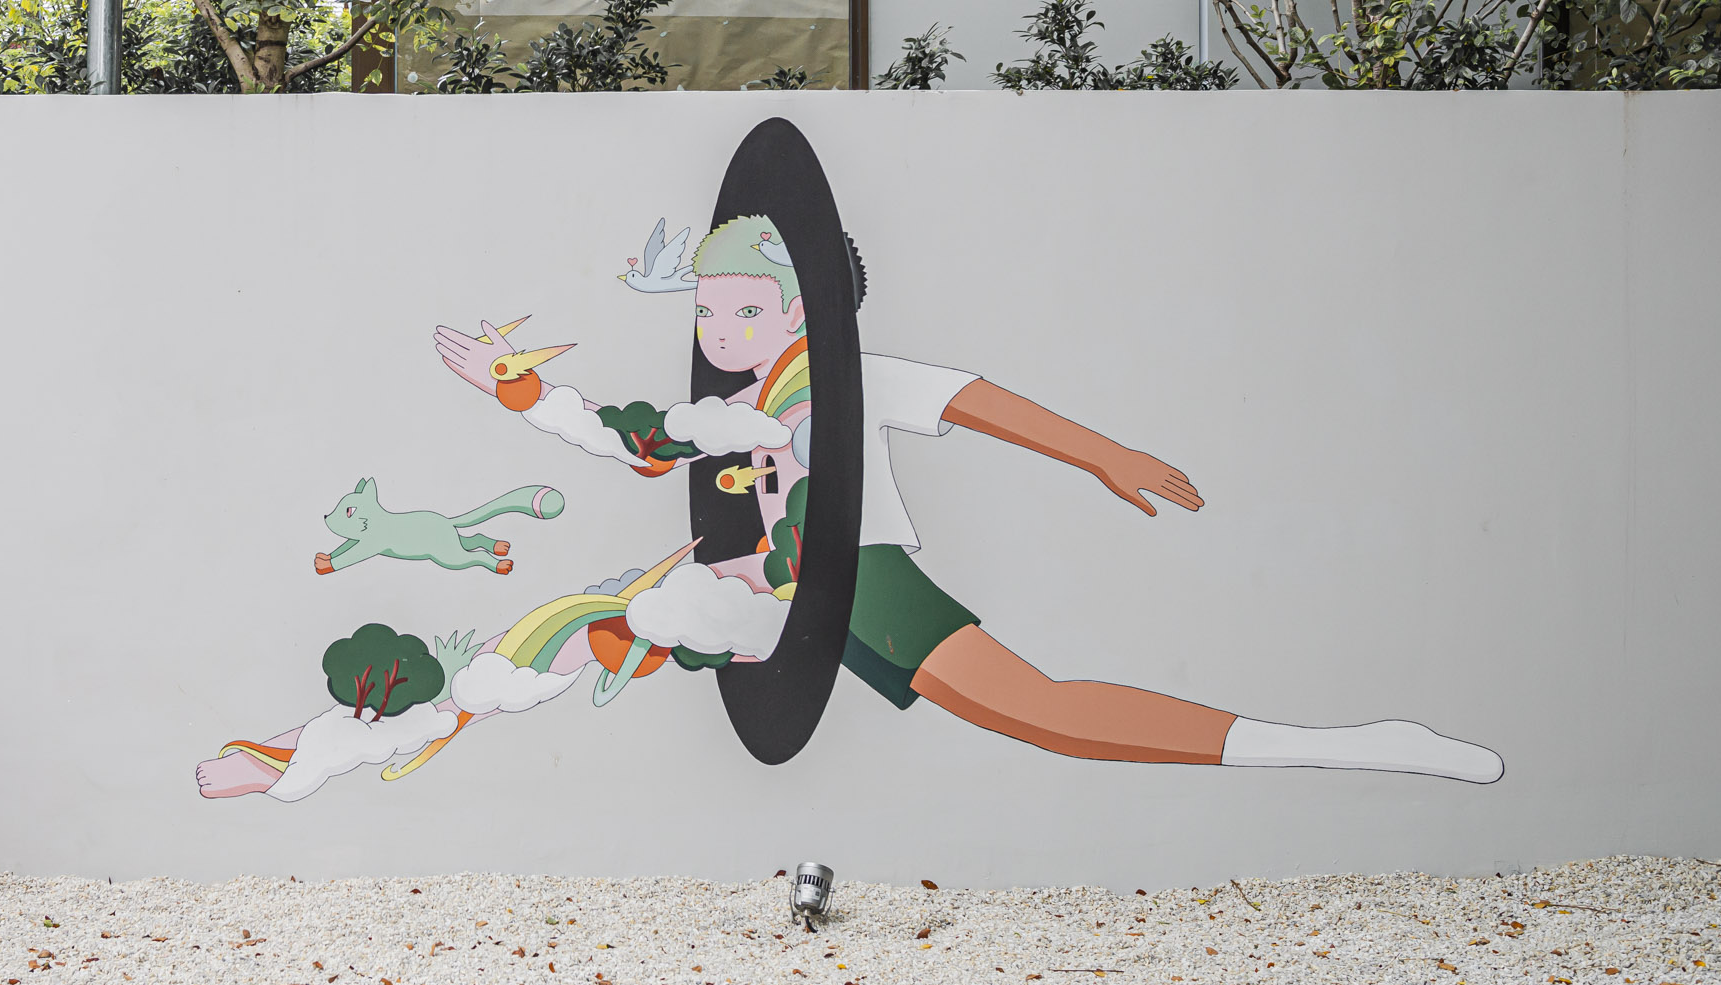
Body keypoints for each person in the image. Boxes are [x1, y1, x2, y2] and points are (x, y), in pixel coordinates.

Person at [425, 213, 1503, 783]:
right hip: (791, 589)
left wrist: (1105, 454)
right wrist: (519, 390)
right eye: (709, 312)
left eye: (744, 311)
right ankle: (488, 689)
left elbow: (976, 400)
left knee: (1050, 715)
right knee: (644, 612)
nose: (719, 331)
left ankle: (1357, 743)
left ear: (800, 310)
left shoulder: (846, 377)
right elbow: (633, 441)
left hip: (864, 583)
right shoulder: (732, 406)